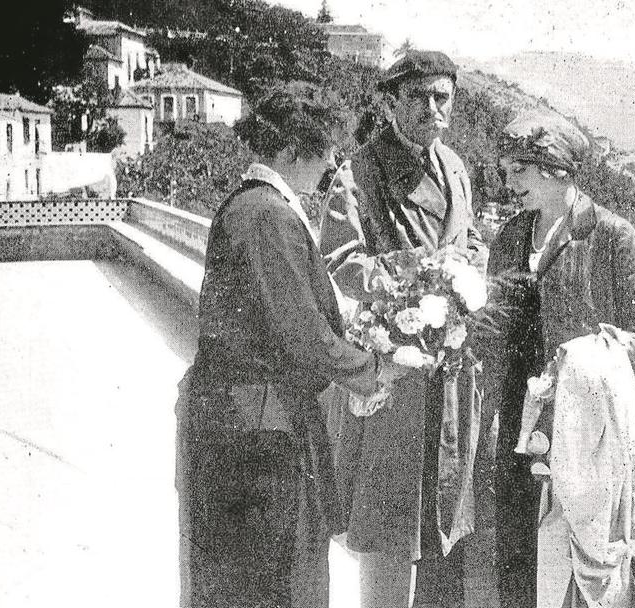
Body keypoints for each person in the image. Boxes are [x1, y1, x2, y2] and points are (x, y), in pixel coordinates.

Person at [176, 146, 407, 608]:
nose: (328, 166)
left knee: (230, 583)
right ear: (292, 149)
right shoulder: (268, 216)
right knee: (278, 581)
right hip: (261, 442)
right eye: (324, 152)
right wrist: (373, 370)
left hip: (233, 429)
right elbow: (303, 332)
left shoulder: (247, 204)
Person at [486, 110, 635, 608]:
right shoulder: (509, 239)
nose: (508, 181)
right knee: (518, 560)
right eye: (505, 170)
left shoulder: (611, 236)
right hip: (520, 429)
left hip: (584, 434)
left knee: (583, 572)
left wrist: (588, 362)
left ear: (555, 168)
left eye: (519, 169)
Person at [331, 50, 489, 608]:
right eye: (418, 97)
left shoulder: (455, 168)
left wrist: (467, 268)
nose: (431, 108)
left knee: (446, 516)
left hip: (449, 372)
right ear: (391, 102)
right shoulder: (363, 172)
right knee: (391, 523)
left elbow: (470, 240)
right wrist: (421, 277)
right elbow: (343, 262)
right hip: (396, 374)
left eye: (441, 97)